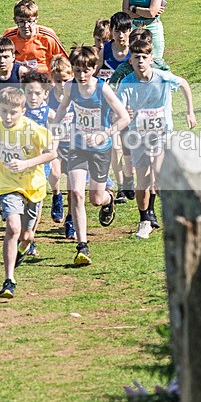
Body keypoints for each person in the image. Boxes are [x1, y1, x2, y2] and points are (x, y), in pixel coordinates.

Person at [52, 46, 131, 266]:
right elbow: (62, 108)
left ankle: (109, 199)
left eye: (86, 70)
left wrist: (104, 134)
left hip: (100, 148)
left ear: (94, 69)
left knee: (96, 199)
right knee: (76, 193)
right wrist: (54, 128)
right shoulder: (70, 87)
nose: (82, 75)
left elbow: (124, 118)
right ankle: (82, 246)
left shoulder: (102, 89)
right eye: (77, 70)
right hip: (77, 147)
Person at [0, 87, 56, 299]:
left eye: (13, 112)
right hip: (8, 185)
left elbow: (52, 152)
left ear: (23, 111)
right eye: (4, 111)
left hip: (34, 186)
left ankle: (22, 250)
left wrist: (26, 163)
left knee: (26, 235)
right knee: (13, 228)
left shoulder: (32, 129)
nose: (8, 116)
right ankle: (9, 280)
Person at [117, 39, 196, 239]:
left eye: (144, 57)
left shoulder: (162, 77)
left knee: (159, 176)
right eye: (137, 58)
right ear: (131, 61)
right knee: (142, 181)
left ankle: (180, 216)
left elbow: (184, 83)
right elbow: (118, 110)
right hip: (138, 137)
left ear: (151, 59)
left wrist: (190, 112)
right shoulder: (126, 83)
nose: (141, 61)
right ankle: (144, 220)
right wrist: (124, 113)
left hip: (162, 134)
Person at [0, 37, 28, 212]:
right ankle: (1, 197)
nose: (2, 61)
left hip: (19, 125)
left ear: (13, 57)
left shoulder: (21, 73)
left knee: (20, 159)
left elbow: (36, 91)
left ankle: (22, 193)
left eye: (6, 56)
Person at [95, 12, 135, 204]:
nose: (121, 35)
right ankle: (120, 188)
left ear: (131, 31)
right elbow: (93, 74)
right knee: (115, 148)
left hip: (131, 107)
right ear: (111, 31)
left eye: (125, 31)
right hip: (109, 106)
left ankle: (129, 178)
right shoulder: (106, 50)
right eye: (117, 31)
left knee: (131, 150)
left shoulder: (134, 52)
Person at [20, 70, 54, 258]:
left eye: (37, 93)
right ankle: (22, 233)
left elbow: (60, 124)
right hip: (20, 162)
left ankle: (30, 237)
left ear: (45, 94)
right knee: (21, 199)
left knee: (36, 201)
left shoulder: (47, 112)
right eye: (29, 93)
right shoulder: (19, 110)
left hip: (40, 164)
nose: (33, 97)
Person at [2, 0, 68, 74]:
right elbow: (0, 59)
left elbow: (64, 61)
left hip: (44, 81)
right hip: (18, 80)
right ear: (15, 20)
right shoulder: (8, 37)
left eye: (30, 21)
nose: (26, 26)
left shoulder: (48, 36)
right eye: (21, 21)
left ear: (36, 20)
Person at [47, 55, 74, 239]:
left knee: (73, 185)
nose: (62, 84)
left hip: (73, 144)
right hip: (54, 142)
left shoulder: (77, 94)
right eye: (58, 81)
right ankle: (56, 195)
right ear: (52, 79)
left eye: (65, 80)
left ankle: (71, 219)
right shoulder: (48, 96)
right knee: (55, 174)